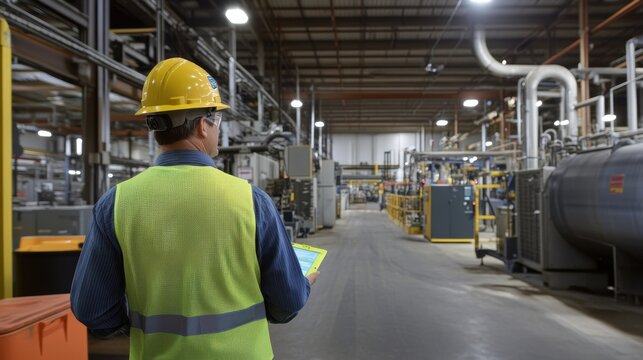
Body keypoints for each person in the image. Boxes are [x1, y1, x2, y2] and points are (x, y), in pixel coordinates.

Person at [70, 57, 318, 360]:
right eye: (218, 121)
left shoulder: (116, 203)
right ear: (203, 124)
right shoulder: (251, 201)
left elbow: (92, 310)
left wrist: (139, 326)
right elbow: (287, 303)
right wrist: (302, 285)